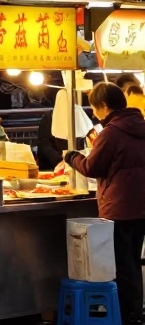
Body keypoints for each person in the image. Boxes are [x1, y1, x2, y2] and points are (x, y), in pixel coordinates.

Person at [63, 82, 145, 325]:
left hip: (119, 206)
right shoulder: (141, 126)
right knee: (132, 259)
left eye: (95, 107)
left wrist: (72, 157)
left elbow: (92, 167)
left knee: (121, 263)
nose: (94, 112)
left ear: (104, 106)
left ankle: (127, 314)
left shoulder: (111, 133)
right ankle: (135, 311)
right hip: (141, 205)